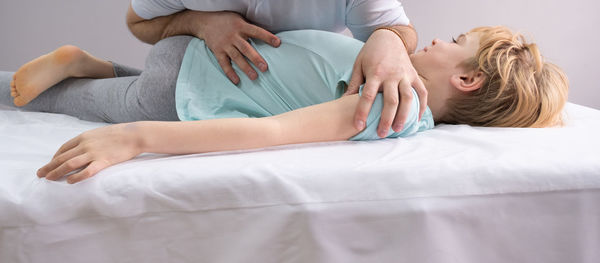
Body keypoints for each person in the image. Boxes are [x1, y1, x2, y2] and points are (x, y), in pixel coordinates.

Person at [1, 26, 568, 184]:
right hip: (181, 87)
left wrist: (135, 139)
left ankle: (91, 65)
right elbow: (272, 127)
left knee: (95, 97)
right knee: (63, 101)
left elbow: (273, 133)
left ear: (466, 79)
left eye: (455, 44)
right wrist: (133, 131)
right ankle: (87, 75)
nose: (439, 41)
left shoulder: (390, 106)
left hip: (194, 64)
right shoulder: (393, 75)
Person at [125, 0, 427, 138]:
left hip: (212, 86)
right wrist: (199, 21)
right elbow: (138, 22)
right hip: (194, 72)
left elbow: (402, 29)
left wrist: (391, 37)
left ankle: (101, 70)